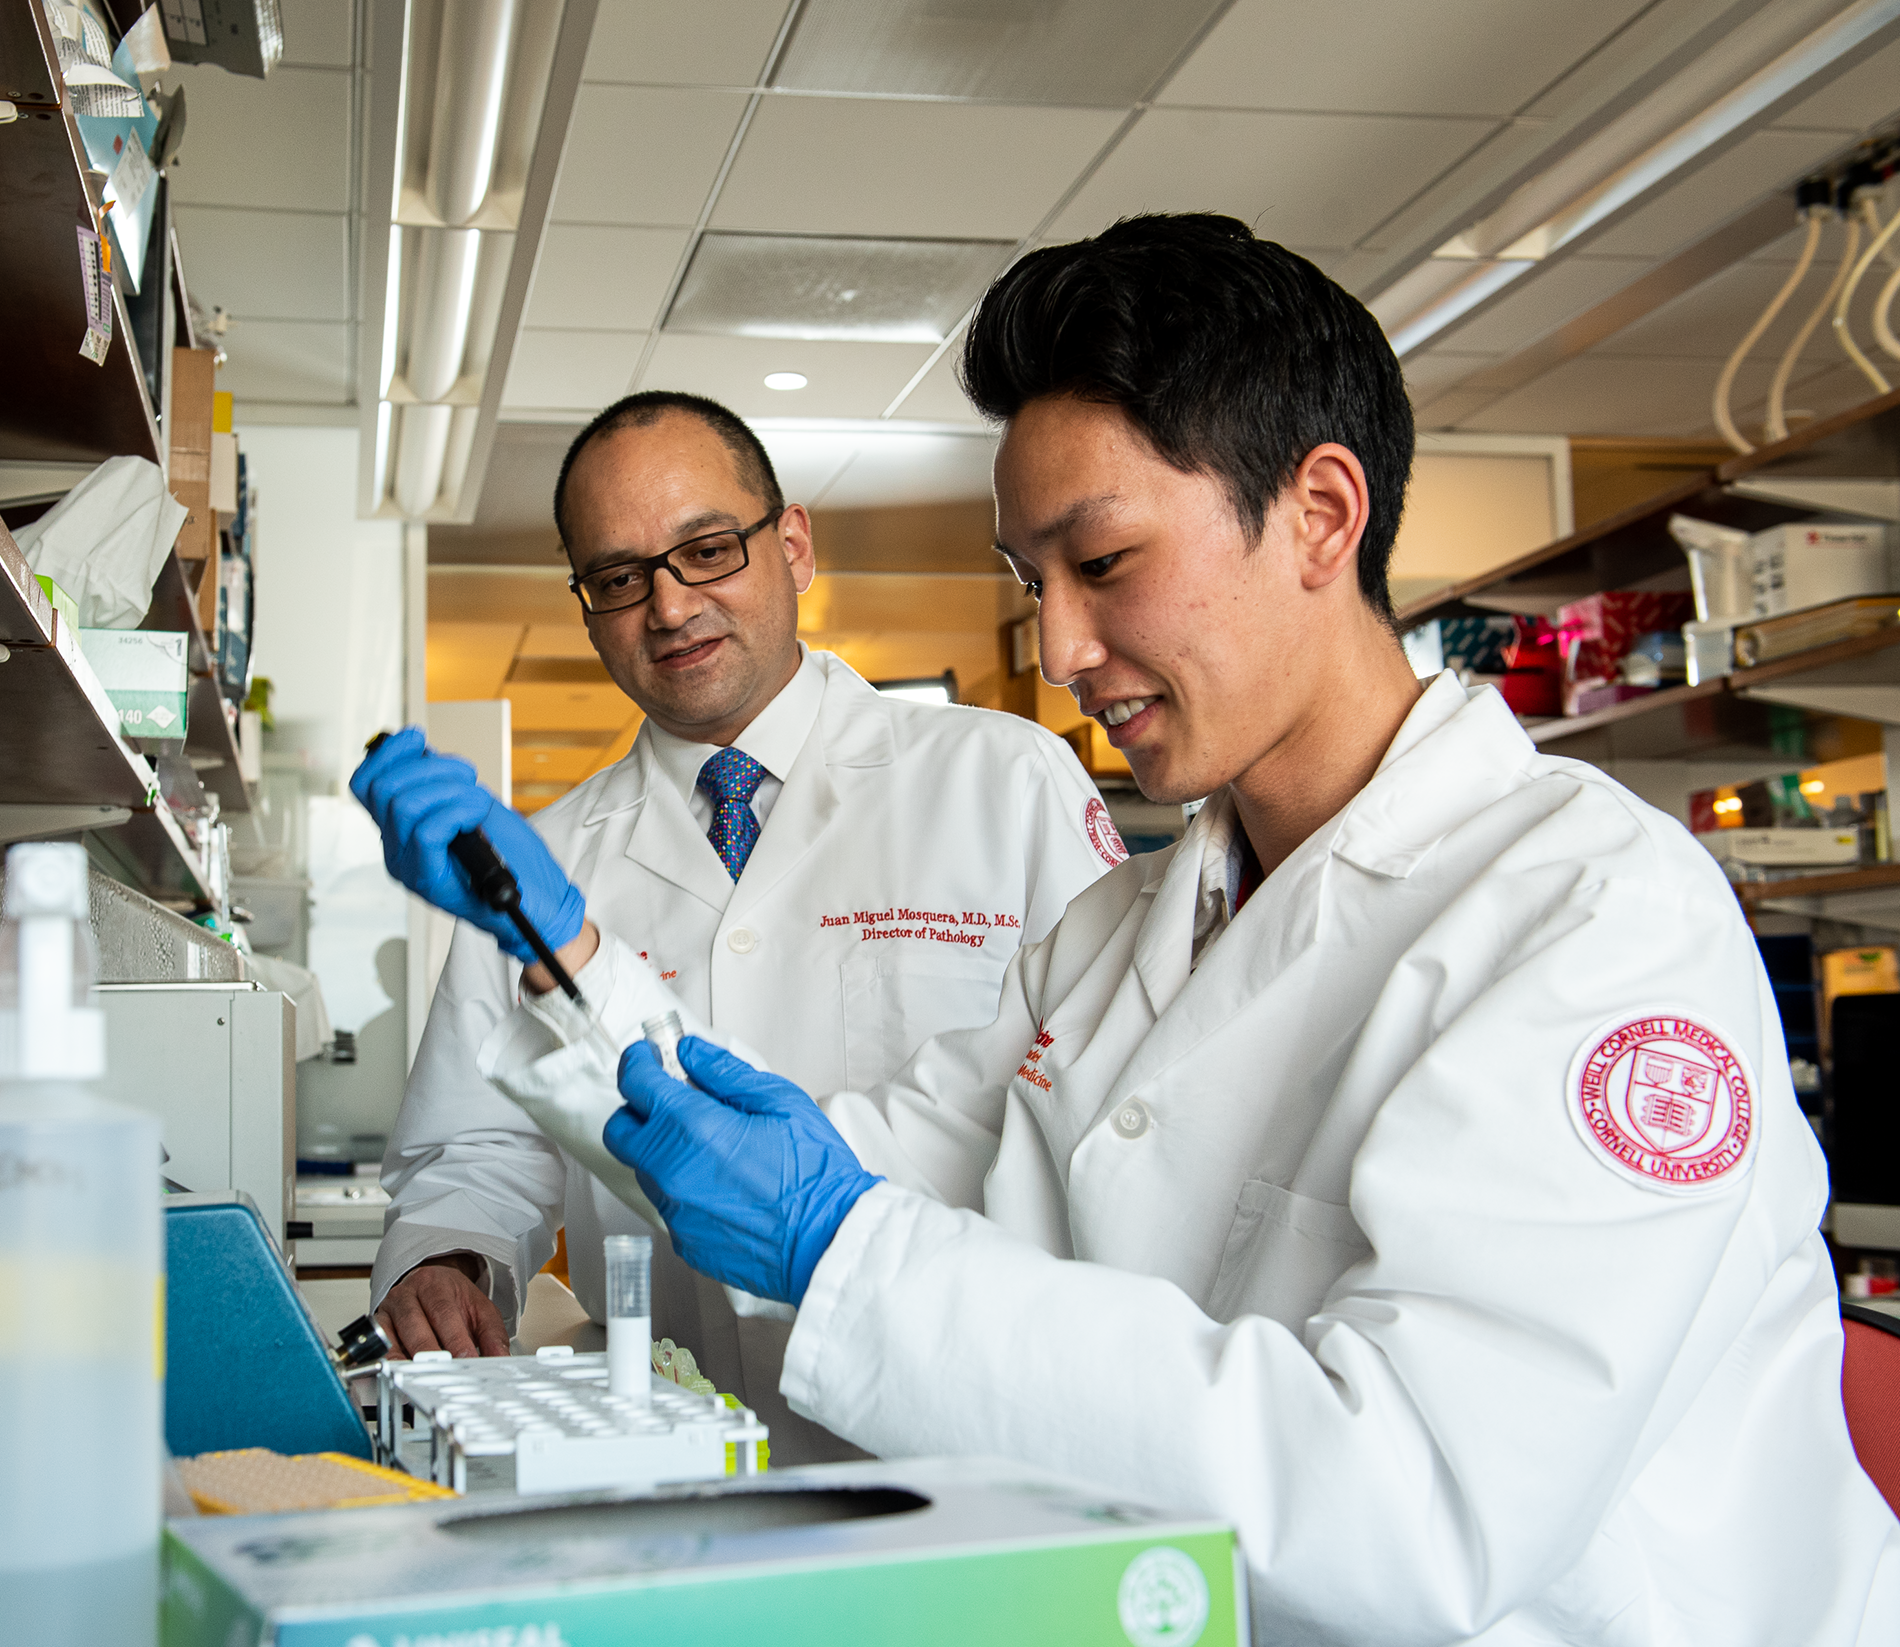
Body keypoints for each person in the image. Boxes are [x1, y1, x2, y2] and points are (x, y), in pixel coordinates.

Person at [369, 218, 1899, 1643]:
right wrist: (561, 944)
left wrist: (849, 1249)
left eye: (1101, 566)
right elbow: (855, 1160)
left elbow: (1413, 1500)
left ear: (1318, 514)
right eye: (1030, 582)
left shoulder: (1594, 919)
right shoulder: (1133, 926)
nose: (1058, 648)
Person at [354, 390, 1112, 1462]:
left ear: (793, 545)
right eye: (618, 578)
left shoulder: (1002, 780)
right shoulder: (535, 863)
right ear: (585, 605)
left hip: (971, 1449)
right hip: (673, 1455)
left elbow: (1111, 1112)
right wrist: (450, 1259)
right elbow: (474, 1147)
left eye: (706, 550)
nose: (667, 608)